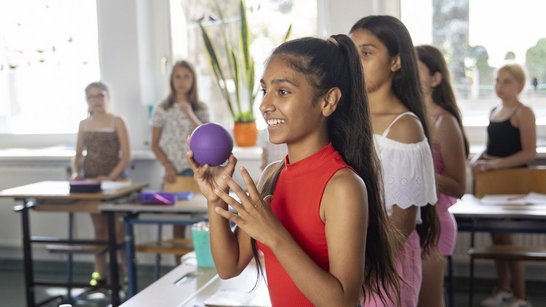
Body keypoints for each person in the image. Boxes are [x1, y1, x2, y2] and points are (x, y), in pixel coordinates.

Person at [187, 35, 401, 306]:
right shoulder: (273, 176)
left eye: (283, 91)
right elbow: (228, 267)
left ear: (328, 101)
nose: (265, 105)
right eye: (265, 91)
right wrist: (215, 199)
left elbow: (343, 302)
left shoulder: (343, 186)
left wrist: (274, 236)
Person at [350, 15, 440, 307]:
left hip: (385, 262)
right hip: (352, 254)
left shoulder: (403, 126)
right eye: (353, 53)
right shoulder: (349, 117)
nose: (356, 61)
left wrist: (360, 274)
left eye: (366, 53)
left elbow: (401, 222)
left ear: (395, 62)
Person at [471, 64, 536, 307]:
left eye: (506, 81)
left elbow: (528, 153)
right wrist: (480, 158)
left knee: (508, 240)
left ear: (519, 85)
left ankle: (521, 295)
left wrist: (494, 166)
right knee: (497, 237)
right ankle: (504, 288)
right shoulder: (494, 111)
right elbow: (492, 147)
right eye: (497, 80)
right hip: (493, 183)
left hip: (515, 182)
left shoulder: (523, 112)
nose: (500, 86)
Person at [415, 44, 469, 307]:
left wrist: (419, 170)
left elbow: (459, 186)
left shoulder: (444, 122)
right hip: (412, 222)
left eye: (418, 69)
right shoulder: (408, 118)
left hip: (435, 224)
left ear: (435, 79)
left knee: (430, 302)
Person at [72, 81, 131, 287]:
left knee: (119, 230)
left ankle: (126, 272)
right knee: (100, 230)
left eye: (100, 95)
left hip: (115, 183)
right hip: (91, 183)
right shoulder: (84, 124)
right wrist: (76, 173)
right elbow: (79, 155)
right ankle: (100, 273)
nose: (96, 100)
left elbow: (126, 155)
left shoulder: (117, 121)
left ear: (107, 97)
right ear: (87, 100)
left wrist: (110, 177)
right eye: (91, 96)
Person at [151, 60, 209, 265]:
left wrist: (189, 114)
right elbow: (155, 144)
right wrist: (167, 166)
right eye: (178, 77)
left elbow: (206, 136)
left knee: (202, 221)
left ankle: (202, 261)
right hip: (174, 172)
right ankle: (179, 265)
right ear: (171, 80)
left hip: (196, 170)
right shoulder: (163, 108)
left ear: (193, 80)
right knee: (178, 223)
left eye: (186, 76)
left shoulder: (200, 108)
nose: (182, 81)